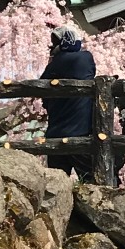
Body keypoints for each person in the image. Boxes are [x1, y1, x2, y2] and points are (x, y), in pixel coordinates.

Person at [41, 26, 96, 177]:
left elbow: (44, 98)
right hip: (81, 132)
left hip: (55, 134)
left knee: (56, 184)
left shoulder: (53, 65)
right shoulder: (86, 58)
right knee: (90, 180)